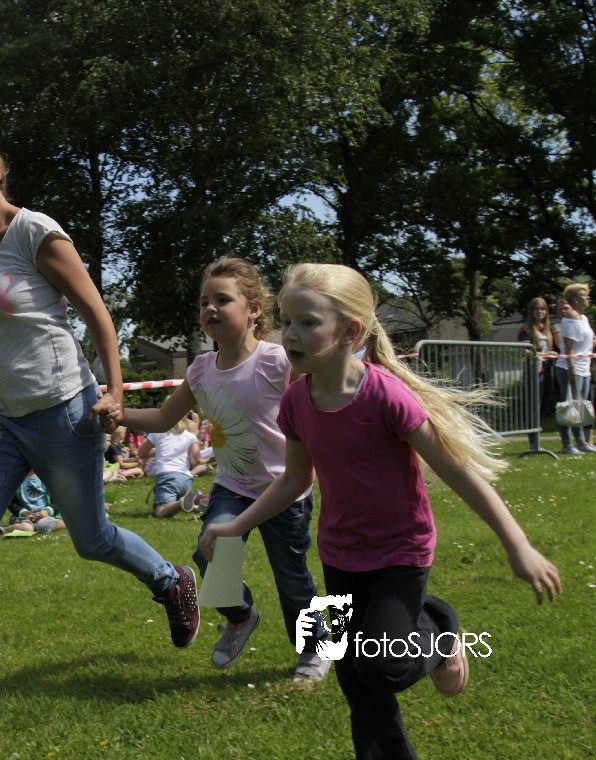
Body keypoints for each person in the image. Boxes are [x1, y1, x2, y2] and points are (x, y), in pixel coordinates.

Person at [199, 262, 561, 759]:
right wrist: (236, 526)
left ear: (350, 332)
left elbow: (457, 472)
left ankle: (439, 627)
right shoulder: (296, 402)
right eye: (288, 321)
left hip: (399, 554)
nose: (292, 335)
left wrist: (517, 545)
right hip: (341, 556)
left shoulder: (385, 396)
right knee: (359, 687)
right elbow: (295, 480)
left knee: (385, 665)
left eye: (308, 322)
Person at [0, 127, 198, 712]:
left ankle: (171, 581)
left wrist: (115, 394)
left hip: (64, 411)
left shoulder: (36, 233)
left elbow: (96, 314)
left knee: (93, 540)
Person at [110, 257, 330, 681]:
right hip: (232, 487)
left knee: (292, 578)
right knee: (209, 551)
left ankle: (316, 648)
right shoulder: (201, 369)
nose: (210, 308)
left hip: (284, 490)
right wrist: (117, 415)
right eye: (204, 302)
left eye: (223, 300)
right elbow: (161, 418)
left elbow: (316, 411)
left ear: (254, 309)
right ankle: (241, 616)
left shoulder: (278, 361)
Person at [553, 283, 594, 454]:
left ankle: (581, 442)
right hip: (570, 367)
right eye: (584, 295)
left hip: (584, 368)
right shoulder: (571, 316)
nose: (588, 298)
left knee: (580, 406)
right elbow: (568, 345)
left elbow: (589, 342)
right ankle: (567, 444)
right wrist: (571, 366)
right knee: (569, 406)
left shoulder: (583, 318)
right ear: (575, 300)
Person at [137, 419, 201, 518]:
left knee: (161, 513)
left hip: (167, 476)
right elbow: (195, 461)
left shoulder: (157, 433)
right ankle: (196, 506)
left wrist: (158, 451)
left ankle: (181, 502)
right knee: (172, 507)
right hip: (186, 479)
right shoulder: (191, 436)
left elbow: (141, 453)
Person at [517, 297, 555, 448]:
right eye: (537, 309)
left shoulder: (546, 329)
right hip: (533, 370)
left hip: (546, 369)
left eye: (543, 309)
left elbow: (550, 349)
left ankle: (537, 438)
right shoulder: (526, 329)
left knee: (544, 403)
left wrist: (551, 354)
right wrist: (535, 354)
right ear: (531, 311)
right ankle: (533, 442)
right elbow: (522, 350)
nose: (540, 312)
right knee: (534, 405)